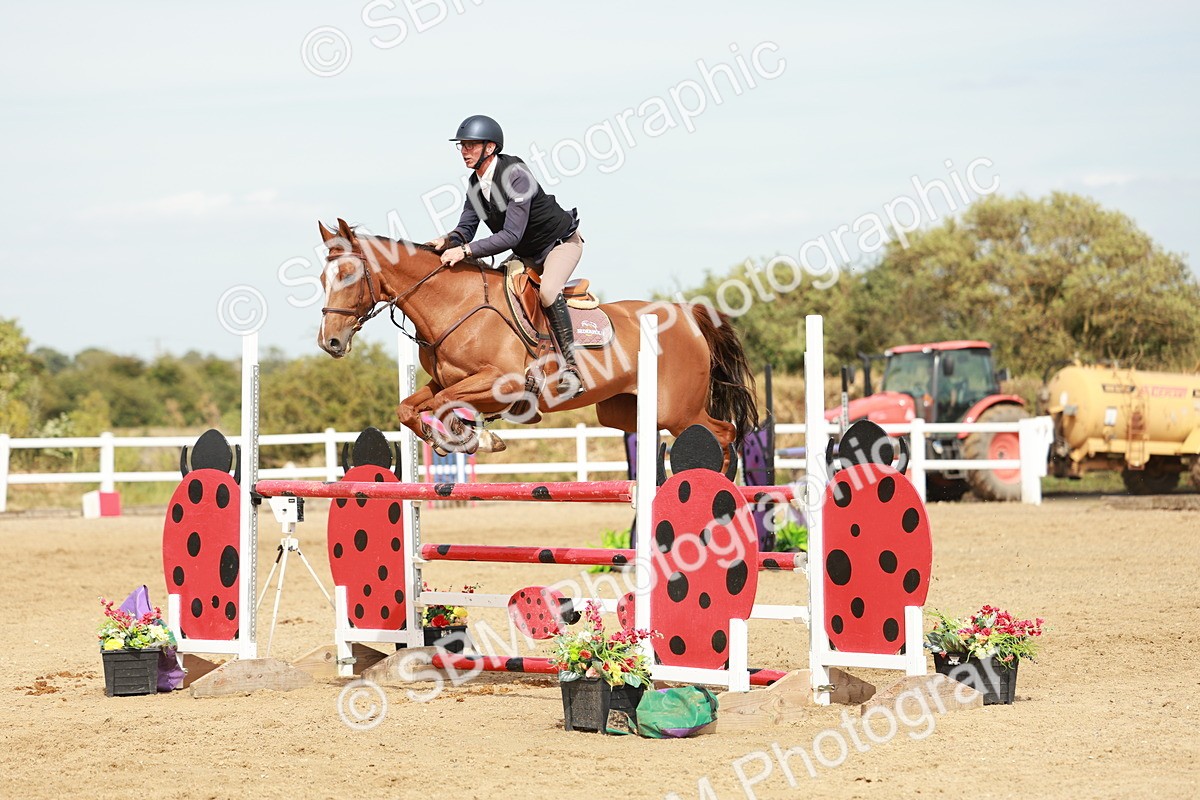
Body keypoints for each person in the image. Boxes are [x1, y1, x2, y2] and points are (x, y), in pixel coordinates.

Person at [426, 115, 585, 397]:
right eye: (462, 146)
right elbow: (466, 228)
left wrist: (465, 251)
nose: (464, 151)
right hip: (527, 253)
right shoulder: (476, 184)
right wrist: (447, 240)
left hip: (560, 244)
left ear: (490, 148)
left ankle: (572, 369)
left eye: (471, 145)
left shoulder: (516, 175)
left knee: (548, 292)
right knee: (497, 292)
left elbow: (511, 235)